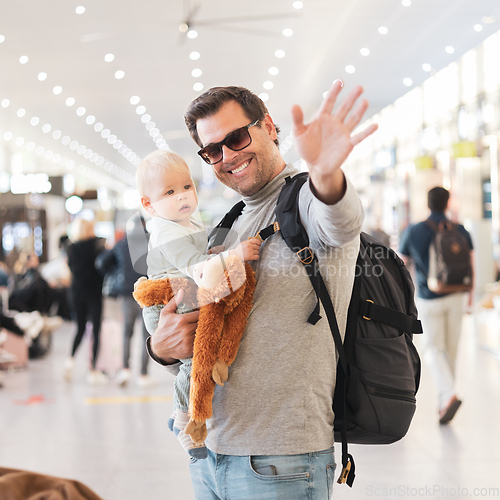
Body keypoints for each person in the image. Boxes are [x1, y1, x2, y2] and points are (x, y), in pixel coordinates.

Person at [145, 82, 377, 499]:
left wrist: (326, 170)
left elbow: (340, 222)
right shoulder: (230, 222)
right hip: (210, 452)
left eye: (236, 137)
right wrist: (160, 348)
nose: (227, 156)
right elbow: (199, 330)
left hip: (281, 462)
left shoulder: (305, 199)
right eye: (212, 150)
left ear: (269, 126)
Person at [135, 149, 261, 459]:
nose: (182, 196)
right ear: (148, 205)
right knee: (194, 359)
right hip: (169, 299)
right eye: (169, 192)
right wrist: (235, 254)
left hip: (183, 292)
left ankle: (210, 373)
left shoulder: (185, 223)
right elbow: (199, 271)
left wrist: (214, 252)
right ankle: (182, 417)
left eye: (186, 186)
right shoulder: (165, 230)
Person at [399, 187, 473, 425]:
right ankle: (445, 400)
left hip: (429, 297)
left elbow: (401, 264)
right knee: (450, 349)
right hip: (457, 295)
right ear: (447, 202)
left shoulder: (414, 230)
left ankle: (447, 395)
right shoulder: (460, 229)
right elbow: (470, 264)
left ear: (428, 203)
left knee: (433, 349)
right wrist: (471, 294)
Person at [95, 219, 157, 389]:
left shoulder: (122, 243)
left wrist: (116, 270)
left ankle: (125, 369)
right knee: (147, 335)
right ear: (144, 225)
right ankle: (143, 374)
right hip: (147, 293)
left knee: (126, 333)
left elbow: (101, 262)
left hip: (127, 294)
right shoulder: (151, 240)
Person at [64, 218, 108, 385]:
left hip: (76, 292)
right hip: (94, 293)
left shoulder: (71, 248)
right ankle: (93, 370)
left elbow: (70, 268)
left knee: (80, 328)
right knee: (96, 330)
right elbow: (103, 267)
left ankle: (70, 360)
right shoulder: (97, 246)